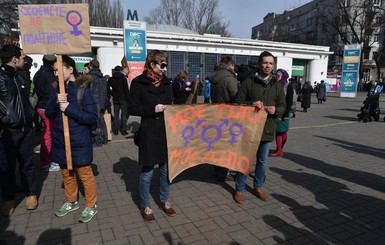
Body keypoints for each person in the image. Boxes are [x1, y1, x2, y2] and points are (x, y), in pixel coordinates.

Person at [45, 55, 98, 223]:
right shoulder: (56, 90)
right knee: (67, 174)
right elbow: (49, 114)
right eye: (54, 70)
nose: (55, 74)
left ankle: (91, 205)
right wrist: (56, 101)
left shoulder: (83, 90)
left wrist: (68, 108)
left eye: (58, 70)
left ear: (70, 69)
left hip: (80, 141)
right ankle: (71, 201)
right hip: (61, 141)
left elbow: (91, 117)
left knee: (85, 175)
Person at [127, 50, 176, 223]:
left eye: (165, 65)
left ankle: (164, 200)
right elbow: (131, 108)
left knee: (164, 170)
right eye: (162, 65)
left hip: (165, 131)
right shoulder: (139, 82)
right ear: (152, 65)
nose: (164, 68)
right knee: (147, 172)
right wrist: (152, 109)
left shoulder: (167, 83)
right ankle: (145, 204)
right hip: (148, 131)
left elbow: (172, 104)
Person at [233, 51, 286, 204]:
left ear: (273, 65)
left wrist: (276, 110)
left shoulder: (277, 85)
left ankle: (258, 187)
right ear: (259, 64)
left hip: (267, 128)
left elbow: (283, 105)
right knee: (246, 160)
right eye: (265, 62)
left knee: (262, 161)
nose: (267, 66)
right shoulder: (249, 82)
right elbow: (238, 103)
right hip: (249, 130)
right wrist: (252, 104)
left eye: (270, 63)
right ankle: (239, 189)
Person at [0, 45, 38, 215]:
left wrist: (30, 115)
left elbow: (24, 101)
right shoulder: (1, 78)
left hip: (26, 129)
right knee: (6, 166)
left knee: (27, 163)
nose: (25, 60)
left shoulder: (20, 76)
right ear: (14, 59)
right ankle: (8, 199)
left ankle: (31, 193)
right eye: (22, 57)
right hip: (8, 131)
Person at [211, 56, 239, 181]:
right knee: (228, 146)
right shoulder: (229, 79)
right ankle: (224, 172)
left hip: (217, 115)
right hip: (229, 116)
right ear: (230, 65)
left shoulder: (214, 78)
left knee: (219, 145)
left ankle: (218, 170)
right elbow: (237, 97)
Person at [33, 54, 60, 171]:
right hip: (47, 108)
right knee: (49, 135)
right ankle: (48, 162)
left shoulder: (38, 73)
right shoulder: (50, 76)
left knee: (47, 133)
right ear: (53, 63)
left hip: (40, 106)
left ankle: (47, 160)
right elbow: (51, 95)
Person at [270, 69, 293, 157]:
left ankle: (280, 149)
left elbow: (289, 101)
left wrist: (286, 113)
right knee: (279, 131)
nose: (277, 77)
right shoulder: (275, 85)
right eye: (277, 75)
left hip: (284, 112)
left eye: (279, 75)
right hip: (277, 110)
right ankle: (279, 149)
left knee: (282, 132)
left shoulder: (288, 86)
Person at [88, 59, 108, 145]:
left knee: (95, 122)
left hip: (94, 102)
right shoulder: (102, 77)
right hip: (102, 102)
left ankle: (98, 140)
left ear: (91, 66)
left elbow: (90, 91)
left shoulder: (90, 77)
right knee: (101, 121)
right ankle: (105, 138)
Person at [107, 65, 130, 135]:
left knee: (116, 115)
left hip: (115, 99)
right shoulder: (123, 79)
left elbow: (107, 89)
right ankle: (123, 130)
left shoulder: (111, 79)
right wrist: (128, 98)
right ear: (120, 71)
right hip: (123, 99)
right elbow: (126, 90)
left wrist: (112, 93)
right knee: (123, 115)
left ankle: (115, 130)